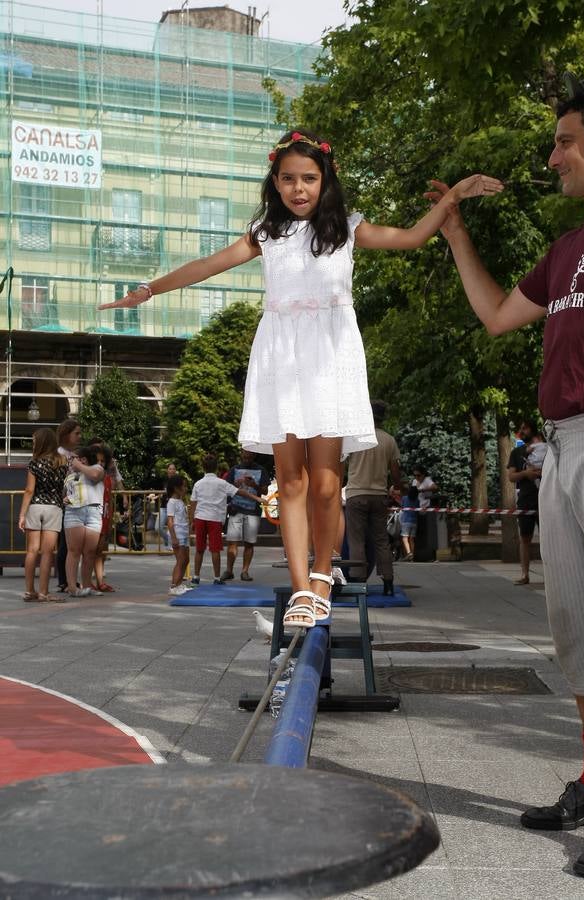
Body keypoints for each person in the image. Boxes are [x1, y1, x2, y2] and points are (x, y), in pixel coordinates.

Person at [99, 127, 501, 628]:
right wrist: (148, 289)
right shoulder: (265, 235)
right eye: (288, 178)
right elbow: (206, 265)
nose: (298, 188)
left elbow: (414, 236)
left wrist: (455, 198)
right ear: (275, 181)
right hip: (281, 359)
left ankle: (322, 574)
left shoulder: (348, 229)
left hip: (331, 358)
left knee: (329, 484)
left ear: (324, 179)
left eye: (308, 178)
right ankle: (301, 589)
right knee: (290, 479)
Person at [427, 75, 584, 878]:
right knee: (575, 626)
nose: (554, 155)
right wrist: (455, 231)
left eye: (566, 140)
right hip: (562, 447)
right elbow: (497, 316)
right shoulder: (566, 253)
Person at [345, 400, 402, 595]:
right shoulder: (388, 440)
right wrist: (397, 488)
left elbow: (341, 465)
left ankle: (359, 581)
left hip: (356, 494)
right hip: (379, 495)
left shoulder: (355, 439)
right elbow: (395, 471)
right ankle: (388, 581)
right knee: (380, 540)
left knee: (356, 540)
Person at [190, 453, 263, 585]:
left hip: (200, 518)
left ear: (203, 467)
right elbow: (241, 492)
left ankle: (196, 577)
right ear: (217, 468)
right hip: (215, 519)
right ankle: (217, 578)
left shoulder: (198, 484)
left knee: (199, 549)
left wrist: (191, 521)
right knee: (215, 549)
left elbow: (193, 504)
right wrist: (257, 498)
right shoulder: (222, 483)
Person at [18, 427, 68, 603]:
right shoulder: (62, 461)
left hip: (35, 507)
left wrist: (22, 515)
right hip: (54, 508)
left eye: (34, 441)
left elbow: (29, 490)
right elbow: (64, 487)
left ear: (41, 442)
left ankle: (29, 591)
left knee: (32, 551)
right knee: (47, 553)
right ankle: (43, 593)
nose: (33, 444)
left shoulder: (34, 463)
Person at [220, 450, 270, 582]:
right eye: (245, 456)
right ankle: (229, 570)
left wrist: (254, 485)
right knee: (232, 542)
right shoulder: (234, 469)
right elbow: (226, 488)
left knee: (249, 543)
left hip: (253, 510)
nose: (247, 458)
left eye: (249, 456)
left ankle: (245, 571)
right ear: (241, 455)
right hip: (236, 509)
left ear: (254, 455)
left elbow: (265, 491)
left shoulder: (261, 470)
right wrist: (235, 485)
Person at [63, 445, 106, 597]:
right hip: (74, 512)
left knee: (89, 551)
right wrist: (65, 498)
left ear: (84, 459)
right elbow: (64, 493)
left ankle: (88, 585)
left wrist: (79, 466)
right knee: (74, 550)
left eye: (75, 458)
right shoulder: (69, 474)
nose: (71, 462)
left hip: (93, 512)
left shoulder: (97, 468)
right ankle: (72, 587)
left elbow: (95, 475)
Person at [507, 419, 542, 585]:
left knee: (549, 537)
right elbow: (511, 477)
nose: (522, 431)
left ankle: (552, 574)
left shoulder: (546, 448)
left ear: (533, 429)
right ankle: (524, 574)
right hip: (526, 499)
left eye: (525, 428)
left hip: (546, 497)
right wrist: (526, 474)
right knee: (525, 538)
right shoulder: (517, 452)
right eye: (521, 428)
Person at [55, 418, 82, 592]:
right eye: (76, 433)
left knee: (70, 543)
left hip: (73, 502)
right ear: (66, 435)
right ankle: (64, 581)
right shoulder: (60, 454)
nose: (80, 436)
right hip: (63, 503)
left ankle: (68, 580)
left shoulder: (73, 455)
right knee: (65, 543)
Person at [88, 443, 116, 592]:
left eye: (103, 461)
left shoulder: (107, 478)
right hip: (92, 517)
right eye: (97, 461)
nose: (100, 464)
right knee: (90, 552)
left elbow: (109, 499)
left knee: (99, 551)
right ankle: (87, 581)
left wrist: (110, 519)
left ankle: (100, 582)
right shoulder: (90, 477)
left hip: (103, 518)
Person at [166, 474, 191, 596]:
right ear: (176, 488)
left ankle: (180, 584)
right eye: (184, 486)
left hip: (184, 534)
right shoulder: (172, 502)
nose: (186, 489)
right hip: (178, 534)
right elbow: (170, 521)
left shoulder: (180, 500)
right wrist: (174, 538)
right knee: (180, 561)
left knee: (186, 560)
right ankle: (174, 586)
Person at [159, 462, 178, 549]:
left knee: (172, 527)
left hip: (173, 507)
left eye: (173, 469)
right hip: (163, 507)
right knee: (158, 527)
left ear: (175, 470)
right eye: (170, 469)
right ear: (167, 470)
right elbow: (160, 492)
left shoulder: (178, 481)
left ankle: (169, 545)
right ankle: (167, 540)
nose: (172, 470)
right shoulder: (164, 480)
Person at [400, 484, 420, 561]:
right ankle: (412, 555)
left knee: (405, 538)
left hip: (406, 521)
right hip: (414, 521)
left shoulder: (404, 498)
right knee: (412, 539)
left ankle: (409, 553)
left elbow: (402, 506)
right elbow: (418, 509)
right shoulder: (417, 500)